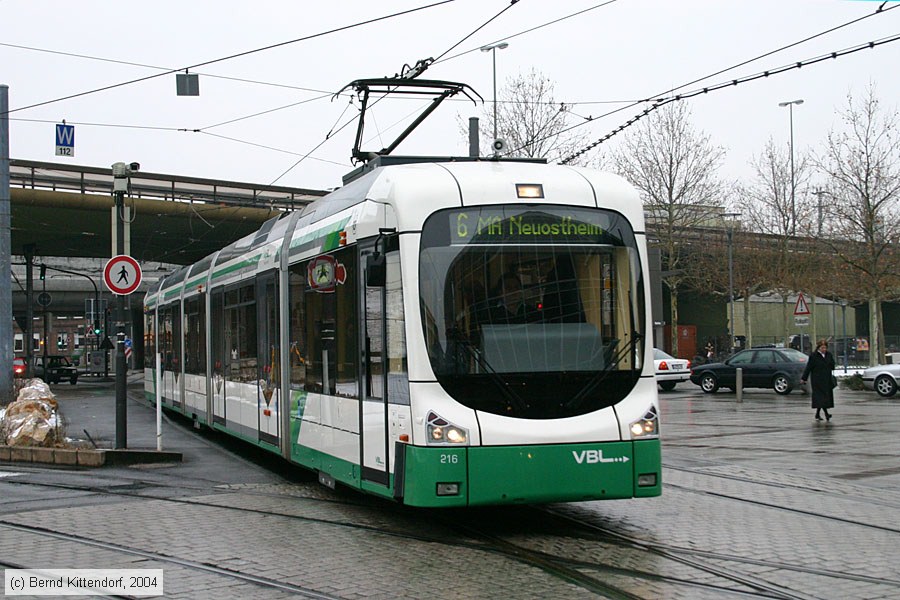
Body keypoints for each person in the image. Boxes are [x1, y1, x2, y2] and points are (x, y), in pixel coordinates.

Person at [800, 339, 836, 421]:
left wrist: (831, 364)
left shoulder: (829, 355)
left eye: (825, 348)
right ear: (818, 348)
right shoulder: (814, 356)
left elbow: (832, 365)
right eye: (822, 348)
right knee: (821, 397)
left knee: (823, 398)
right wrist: (804, 378)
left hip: (827, 379)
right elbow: (808, 368)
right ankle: (826, 414)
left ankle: (817, 414)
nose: (824, 349)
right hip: (817, 380)